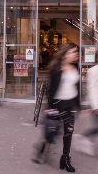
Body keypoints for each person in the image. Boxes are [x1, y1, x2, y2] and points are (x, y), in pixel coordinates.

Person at [32, 43, 79, 173]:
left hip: (70, 104)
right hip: (58, 104)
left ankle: (65, 158)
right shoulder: (55, 68)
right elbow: (51, 89)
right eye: (72, 52)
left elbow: (77, 87)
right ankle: (42, 147)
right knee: (52, 130)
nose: (75, 54)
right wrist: (50, 107)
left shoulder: (75, 67)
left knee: (68, 131)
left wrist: (79, 105)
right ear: (64, 54)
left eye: (75, 52)